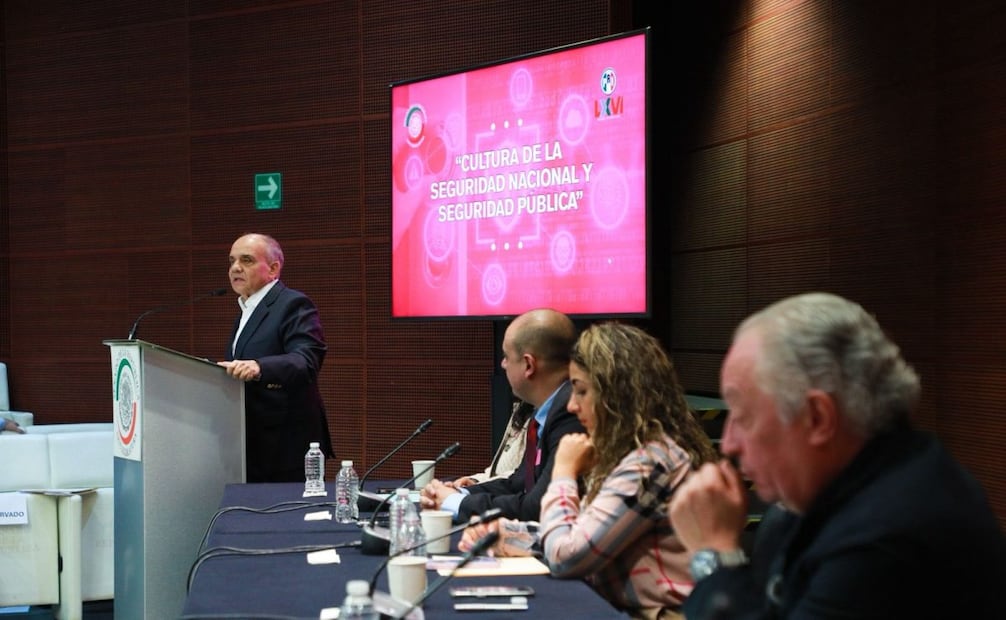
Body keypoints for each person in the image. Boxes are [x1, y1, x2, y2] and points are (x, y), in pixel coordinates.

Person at [668, 292, 1006, 619]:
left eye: (743, 416)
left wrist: (713, 556)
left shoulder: (887, 536)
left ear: (817, 418)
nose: (728, 444)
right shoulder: (832, 493)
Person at [461, 322, 719, 619]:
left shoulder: (650, 462)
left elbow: (566, 558)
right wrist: (506, 534)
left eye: (581, 391)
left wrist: (563, 472)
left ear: (616, 396)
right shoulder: (627, 454)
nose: (571, 406)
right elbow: (581, 534)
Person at [420, 308, 585, 523]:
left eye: (507, 357)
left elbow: (538, 505)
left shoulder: (570, 411)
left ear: (528, 365)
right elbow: (520, 482)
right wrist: (462, 494)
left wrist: (457, 504)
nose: (503, 364)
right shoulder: (549, 409)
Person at [217, 233, 334, 482]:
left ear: (273, 268)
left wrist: (259, 367)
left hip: (285, 445)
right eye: (232, 261)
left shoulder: (293, 304)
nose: (235, 268)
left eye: (246, 260)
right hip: (253, 444)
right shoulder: (247, 309)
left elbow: (306, 361)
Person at [448, 399, 533, 488]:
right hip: (495, 487)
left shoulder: (541, 421)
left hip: (510, 495)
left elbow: (521, 476)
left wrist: (477, 487)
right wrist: (474, 480)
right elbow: (495, 472)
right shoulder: (521, 409)